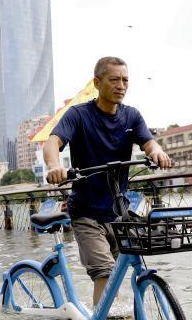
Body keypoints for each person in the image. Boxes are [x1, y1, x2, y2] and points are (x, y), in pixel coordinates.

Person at [44, 56, 172, 307]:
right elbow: (53, 142)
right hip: (86, 213)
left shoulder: (132, 116)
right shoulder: (78, 115)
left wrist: (156, 152)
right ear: (97, 82)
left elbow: (149, 143)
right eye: (114, 79)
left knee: (122, 271)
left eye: (125, 80)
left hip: (118, 212)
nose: (121, 85)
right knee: (104, 273)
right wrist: (54, 166)